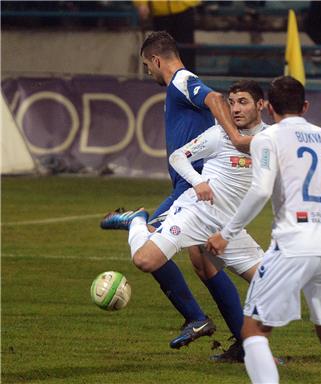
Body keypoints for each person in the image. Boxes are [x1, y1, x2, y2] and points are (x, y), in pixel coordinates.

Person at [207, 76, 321, 383]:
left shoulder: (268, 138)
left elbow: (261, 191)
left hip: (292, 243)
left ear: (270, 108)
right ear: (305, 106)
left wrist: (227, 233)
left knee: (253, 331)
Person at [101, 31, 251, 352]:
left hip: (193, 190)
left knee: (149, 252)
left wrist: (235, 138)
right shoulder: (178, 87)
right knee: (204, 264)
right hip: (198, 187)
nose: (148, 72)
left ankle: (195, 317)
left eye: (146, 65)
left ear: (156, 60)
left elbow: (214, 99)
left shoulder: (182, 80)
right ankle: (243, 343)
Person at [133, 0, 201, 69]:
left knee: (186, 53)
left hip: (185, 8)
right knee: (162, 53)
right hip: (160, 13)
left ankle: (188, 78)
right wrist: (141, 3)